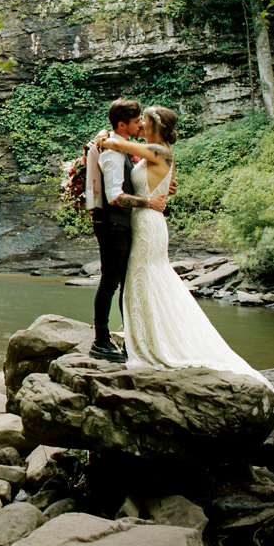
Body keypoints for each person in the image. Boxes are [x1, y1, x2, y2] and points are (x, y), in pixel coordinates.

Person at [96, 105, 272, 386]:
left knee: (145, 278)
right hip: (145, 219)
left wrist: (102, 137)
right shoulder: (157, 152)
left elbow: (117, 144)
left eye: (144, 122)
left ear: (156, 127)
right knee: (143, 280)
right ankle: (142, 337)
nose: (140, 125)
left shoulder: (159, 151)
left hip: (148, 222)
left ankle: (148, 341)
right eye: (138, 121)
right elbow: (163, 181)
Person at [89, 97, 167, 362]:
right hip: (113, 224)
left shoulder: (119, 148)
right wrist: (148, 202)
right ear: (122, 125)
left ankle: (129, 340)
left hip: (120, 224)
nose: (140, 125)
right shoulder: (113, 153)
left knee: (121, 281)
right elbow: (114, 197)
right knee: (110, 280)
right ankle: (101, 340)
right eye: (135, 121)